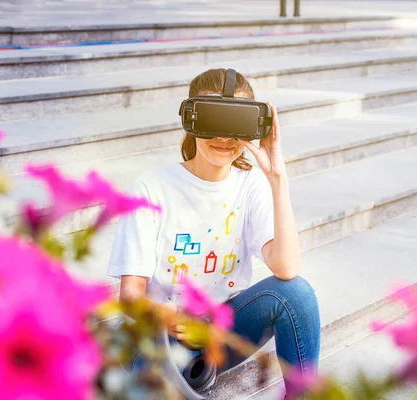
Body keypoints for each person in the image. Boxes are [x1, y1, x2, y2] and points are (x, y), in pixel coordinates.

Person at [107, 68, 321, 395]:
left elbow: (286, 268)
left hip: (220, 331)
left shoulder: (251, 185)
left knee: (297, 294)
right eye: (213, 124)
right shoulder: (150, 188)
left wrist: (278, 178)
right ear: (191, 120)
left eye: (234, 127)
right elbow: (131, 296)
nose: (223, 139)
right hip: (161, 335)